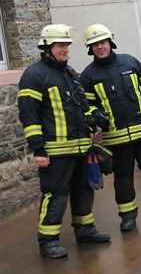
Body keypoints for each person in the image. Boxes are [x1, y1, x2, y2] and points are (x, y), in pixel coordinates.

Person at [16, 24, 111, 258]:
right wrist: (38, 149)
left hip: (80, 148)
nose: (66, 49)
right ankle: (48, 241)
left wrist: (92, 120)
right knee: (55, 196)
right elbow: (29, 115)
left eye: (67, 45)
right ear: (47, 48)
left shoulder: (69, 72)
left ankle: (85, 230)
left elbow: (81, 105)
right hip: (55, 152)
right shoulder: (34, 75)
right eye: (61, 45)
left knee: (83, 191)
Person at [79, 24, 141, 232]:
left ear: (110, 42)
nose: (100, 47)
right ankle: (127, 216)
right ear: (90, 48)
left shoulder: (129, 62)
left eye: (103, 42)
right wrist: (96, 115)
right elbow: (87, 105)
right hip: (117, 139)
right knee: (123, 179)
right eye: (95, 44)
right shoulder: (88, 76)